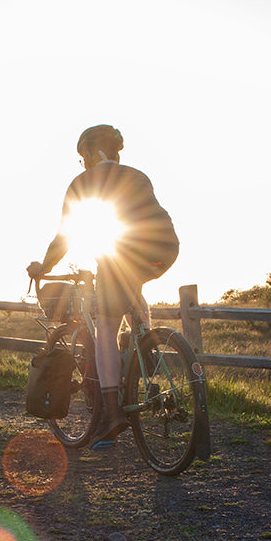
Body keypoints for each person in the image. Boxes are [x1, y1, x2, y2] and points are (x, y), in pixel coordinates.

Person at [27, 124, 179, 446]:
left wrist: (44, 266)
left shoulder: (84, 182)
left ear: (93, 152)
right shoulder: (138, 175)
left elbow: (65, 236)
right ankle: (147, 352)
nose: (82, 163)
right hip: (165, 249)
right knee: (132, 289)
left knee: (107, 329)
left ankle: (113, 413)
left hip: (123, 253)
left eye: (82, 156)